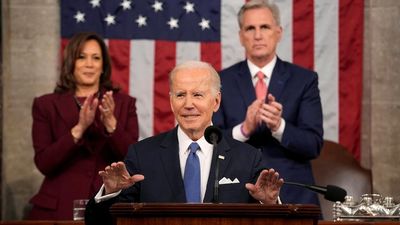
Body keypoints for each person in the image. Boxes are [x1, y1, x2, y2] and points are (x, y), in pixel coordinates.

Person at [84, 61, 284, 225]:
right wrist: (110, 194)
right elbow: (101, 223)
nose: (189, 104)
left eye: (197, 95)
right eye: (180, 95)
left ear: (216, 102)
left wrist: (269, 204)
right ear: (171, 102)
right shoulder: (142, 155)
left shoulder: (247, 158)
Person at [212, 0, 323, 206]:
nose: (257, 35)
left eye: (264, 27)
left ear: (278, 32)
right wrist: (244, 130)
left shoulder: (304, 80)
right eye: (250, 28)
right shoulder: (220, 81)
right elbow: (209, 144)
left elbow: (313, 145)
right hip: (237, 193)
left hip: (292, 194)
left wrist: (278, 126)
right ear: (240, 36)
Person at [28, 32, 139, 220]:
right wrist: (79, 129)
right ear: (71, 62)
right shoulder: (45, 105)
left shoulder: (124, 103)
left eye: (96, 58)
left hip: (109, 207)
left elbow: (132, 160)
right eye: (81, 57)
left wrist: (111, 124)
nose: (89, 64)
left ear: (103, 65)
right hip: (59, 208)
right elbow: (44, 163)